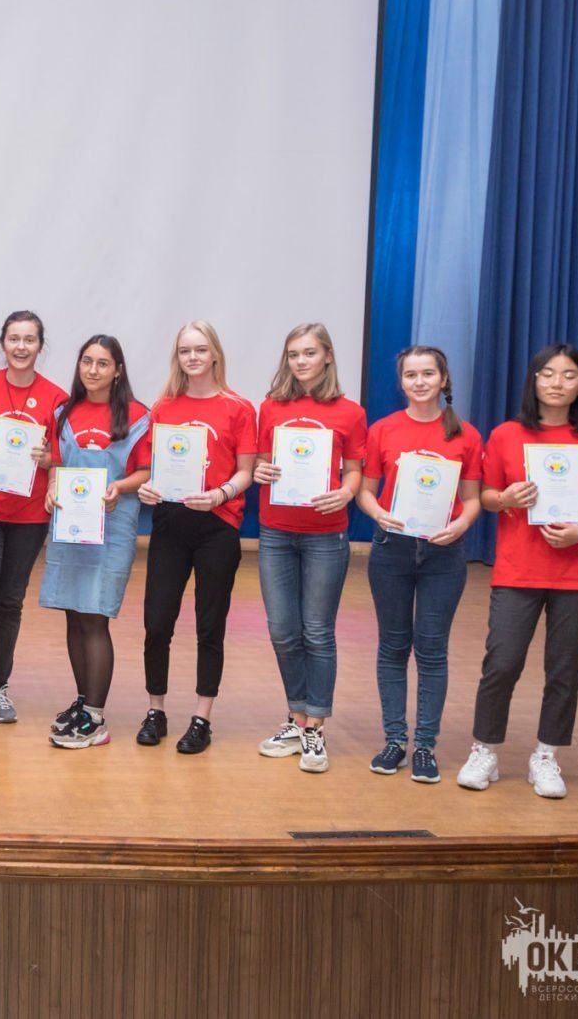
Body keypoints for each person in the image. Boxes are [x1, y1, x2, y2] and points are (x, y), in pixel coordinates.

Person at [457, 344, 578, 799]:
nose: (557, 382)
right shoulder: (506, 435)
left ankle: (546, 755)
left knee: (564, 669)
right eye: (548, 373)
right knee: (502, 663)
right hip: (518, 570)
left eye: (569, 375)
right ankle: (484, 750)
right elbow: (487, 496)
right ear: (533, 380)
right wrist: (505, 499)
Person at [356, 345, 483, 783]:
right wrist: (378, 514)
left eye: (428, 373)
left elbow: (472, 499)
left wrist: (461, 525)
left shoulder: (466, 435)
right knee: (393, 647)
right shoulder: (383, 430)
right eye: (411, 375)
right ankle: (395, 740)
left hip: (443, 554)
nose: (420, 382)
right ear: (401, 382)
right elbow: (366, 491)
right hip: (391, 549)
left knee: (431, 650)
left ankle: (425, 746)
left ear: (443, 379)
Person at [134, 320, 257, 754]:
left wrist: (220, 494)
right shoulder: (163, 407)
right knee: (156, 624)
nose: (193, 357)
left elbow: (246, 471)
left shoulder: (239, 408)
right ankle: (156, 710)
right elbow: (153, 468)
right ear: (177, 357)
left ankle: (202, 718)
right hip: (170, 524)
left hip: (217, 525)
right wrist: (148, 488)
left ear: (215, 354)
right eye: (185, 350)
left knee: (210, 625)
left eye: (200, 349)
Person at [250, 323, 366, 773]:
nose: (301, 361)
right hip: (276, 532)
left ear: (328, 356)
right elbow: (263, 461)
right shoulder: (271, 407)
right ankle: (296, 718)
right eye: (294, 354)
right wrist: (261, 472)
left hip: (325, 534)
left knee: (317, 631)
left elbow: (354, 469)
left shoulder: (350, 412)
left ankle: (315, 726)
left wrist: (347, 491)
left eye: (309, 353)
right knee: (282, 630)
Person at [0, 311, 68, 734]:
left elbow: (63, 458)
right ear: (2, 343)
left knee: (10, 601)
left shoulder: (57, 398)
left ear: (40, 345)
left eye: (29, 340)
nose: (21, 347)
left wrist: (48, 459)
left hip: (29, 515)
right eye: (14, 339)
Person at [39, 336, 150, 748]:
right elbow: (57, 463)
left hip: (112, 525)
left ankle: (96, 719)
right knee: (73, 613)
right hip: (71, 526)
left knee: (95, 617)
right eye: (86, 361)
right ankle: (84, 702)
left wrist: (119, 486)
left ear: (117, 370)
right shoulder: (64, 412)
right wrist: (51, 486)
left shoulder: (138, 415)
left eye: (103, 363)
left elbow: (147, 471)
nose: (93, 370)